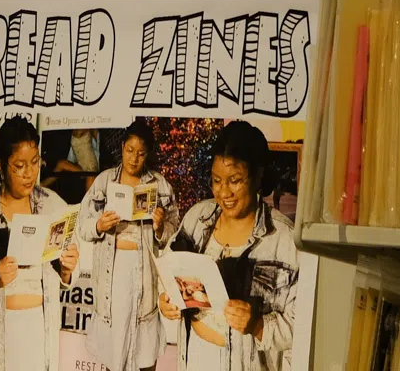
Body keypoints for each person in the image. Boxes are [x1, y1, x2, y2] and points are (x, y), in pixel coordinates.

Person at [158, 122, 300, 371]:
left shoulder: (283, 241)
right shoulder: (197, 219)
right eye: (216, 180)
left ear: (257, 177)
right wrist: (166, 300)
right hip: (194, 358)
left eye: (235, 180)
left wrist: (258, 325)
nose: (224, 192)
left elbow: (300, 326)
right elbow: (169, 267)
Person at [0, 116, 83, 371]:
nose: (29, 173)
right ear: (1, 166)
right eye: (19, 165)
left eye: (34, 163)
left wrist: (68, 268)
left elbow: (70, 274)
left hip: (39, 341)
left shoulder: (54, 206)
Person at [76, 119, 179, 371]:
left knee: (144, 352)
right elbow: (82, 224)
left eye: (141, 153)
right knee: (115, 351)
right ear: (122, 147)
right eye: (130, 151)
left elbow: (175, 231)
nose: (134, 158)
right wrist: (100, 225)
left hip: (143, 275)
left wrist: (160, 227)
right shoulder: (103, 181)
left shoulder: (160, 185)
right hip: (111, 276)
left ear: (148, 154)